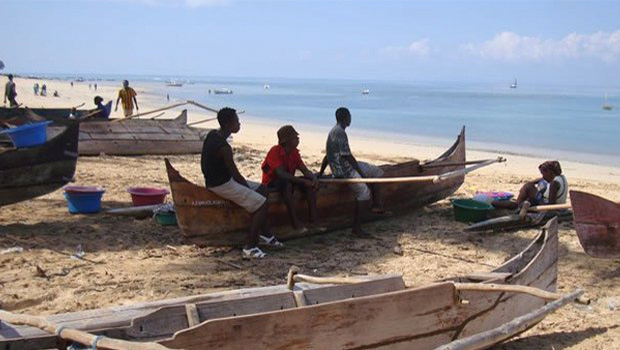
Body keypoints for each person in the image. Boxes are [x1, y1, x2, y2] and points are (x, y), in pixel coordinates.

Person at [201, 107, 282, 258]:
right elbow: (236, 175)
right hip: (221, 184)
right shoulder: (225, 148)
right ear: (227, 124)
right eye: (236, 121)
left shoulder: (212, 135)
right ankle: (250, 247)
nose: (239, 124)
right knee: (262, 203)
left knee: (263, 189)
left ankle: (264, 234)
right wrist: (247, 190)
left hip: (219, 179)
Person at [319, 107, 386, 237]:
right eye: (349, 116)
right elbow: (348, 157)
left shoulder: (333, 132)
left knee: (377, 172)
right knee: (364, 193)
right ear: (345, 118)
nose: (350, 118)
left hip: (341, 168)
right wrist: (361, 173)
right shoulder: (340, 133)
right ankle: (357, 228)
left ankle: (376, 205)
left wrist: (321, 173)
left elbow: (328, 156)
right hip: (345, 171)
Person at [261, 125, 319, 232]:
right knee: (287, 184)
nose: (298, 139)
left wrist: (313, 178)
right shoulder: (275, 151)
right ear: (285, 140)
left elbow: (304, 170)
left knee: (309, 186)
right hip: (272, 182)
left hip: (288, 180)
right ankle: (295, 222)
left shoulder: (294, 152)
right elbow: (280, 173)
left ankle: (313, 221)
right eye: (294, 137)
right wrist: (302, 181)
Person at [492, 161, 568, 211]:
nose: (543, 176)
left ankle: (517, 204)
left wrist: (533, 200)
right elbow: (539, 180)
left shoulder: (554, 183)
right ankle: (520, 203)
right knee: (529, 186)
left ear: (550, 172)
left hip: (549, 206)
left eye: (543, 173)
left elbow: (552, 205)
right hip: (550, 202)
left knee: (528, 186)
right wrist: (536, 182)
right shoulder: (560, 177)